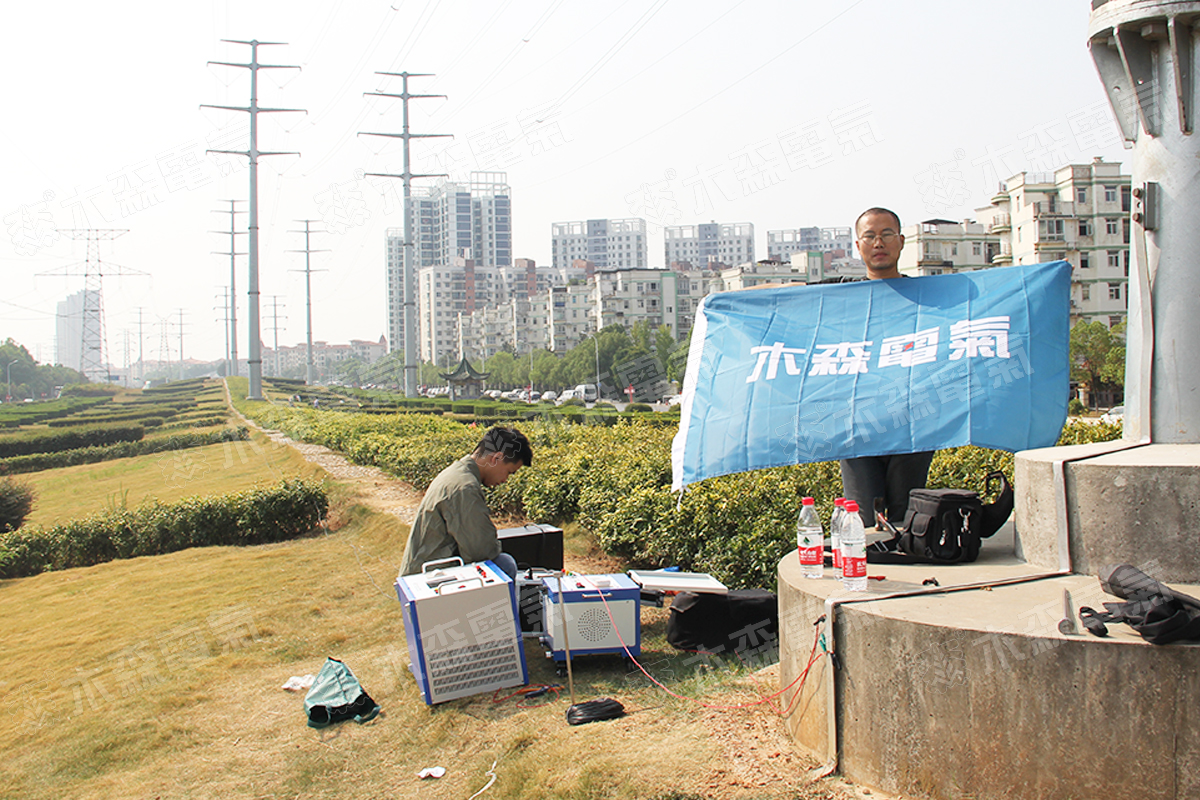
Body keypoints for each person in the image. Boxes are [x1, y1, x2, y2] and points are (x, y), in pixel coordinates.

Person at [839, 207, 934, 529]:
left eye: (886, 234)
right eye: (870, 236)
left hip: (913, 424)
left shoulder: (931, 298)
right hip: (857, 426)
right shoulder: (837, 295)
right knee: (863, 522)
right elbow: (783, 296)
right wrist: (728, 300)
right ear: (858, 245)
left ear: (901, 241)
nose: (878, 242)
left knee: (906, 520)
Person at [399, 426, 532, 579]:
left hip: (421, 571)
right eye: (509, 472)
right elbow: (482, 551)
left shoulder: (458, 473)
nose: (505, 480)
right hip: (428, 579)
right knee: (504, 564)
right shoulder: (465, 488)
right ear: (496, 458)